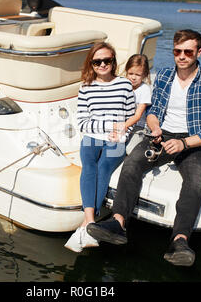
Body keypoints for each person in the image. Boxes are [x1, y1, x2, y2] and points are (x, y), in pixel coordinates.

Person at [87, 29, 201, 266]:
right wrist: (155, 127)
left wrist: (184, 143)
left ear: (198, 52)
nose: (182, 56)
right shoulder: (165, 76)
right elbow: (154, 112)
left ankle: (179, 241)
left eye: (188, 51)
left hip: (191, 138)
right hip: (162, 134)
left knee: (195, 180)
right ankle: (118, 223)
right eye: (177, 51)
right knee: (131, 164)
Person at [64, 42, 136, 253]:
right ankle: (90, 220)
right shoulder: (85, 87)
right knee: (89, 166)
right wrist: (111, 125)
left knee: (104, 167)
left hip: (116, 139)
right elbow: (83, 123)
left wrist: (123, 133)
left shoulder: (124, 85)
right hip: (92, 137)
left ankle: (87, 225)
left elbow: (131, 117)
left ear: (113, 62)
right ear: (91, 64)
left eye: (107, 60)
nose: (103, 64)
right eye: (97, 61)